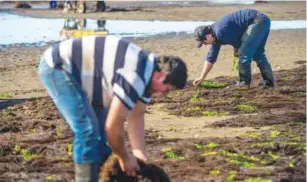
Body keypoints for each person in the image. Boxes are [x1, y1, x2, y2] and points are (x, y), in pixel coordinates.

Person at [38, 35, 187, 182]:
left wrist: (139, 154)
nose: (162, 94)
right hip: (59, 67)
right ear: (161, 75)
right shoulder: (135, 77)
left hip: (92, 80)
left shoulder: (147, 75)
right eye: (166, 90)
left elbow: (137, 116)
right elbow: (113, 127)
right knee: (88, 131)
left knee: (100, 139)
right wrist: (124, 157)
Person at [193, 9, 275, 88]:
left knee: (244, 54)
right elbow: (211, 58)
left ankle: (244, 84)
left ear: (208, 36)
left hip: (257, 21)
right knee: (258, 54)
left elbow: (240, 46)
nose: (205, 45)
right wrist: (202, 77)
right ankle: (269, 83)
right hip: (262, 21)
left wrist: (237, 50)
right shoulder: (215, 35)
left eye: (204, 42)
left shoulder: (220, 32)